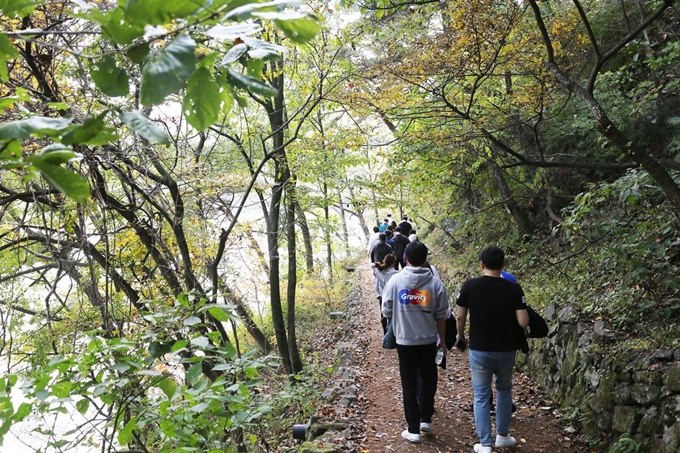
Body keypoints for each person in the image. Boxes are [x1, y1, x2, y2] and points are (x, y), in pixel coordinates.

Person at [455, 245, 529, 453]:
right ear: (503, 265)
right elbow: (523, 322)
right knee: (504, 390)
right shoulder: (513, 288)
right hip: (506, 349)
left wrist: (460, 336)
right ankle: (502, 436)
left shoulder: (470, 286)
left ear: (482, 264)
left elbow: (460, 316)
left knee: (481, 394)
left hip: (480, 349)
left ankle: (485, 443)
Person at [382, 241, 449, 444]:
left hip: (404, 340)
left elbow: (386, 309)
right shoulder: (435, 283)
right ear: (425, 258)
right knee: (428, 377)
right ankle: (426, 420)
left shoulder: (395, 281)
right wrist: (442, 341)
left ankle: (413, 429)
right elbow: (441, 316)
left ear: (405, 259)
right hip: (428, 340)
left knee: (409, 382)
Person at [373, 254, 399, 333]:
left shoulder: (378, 271)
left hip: (382, 295)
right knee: (393, 314)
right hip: (393, 295)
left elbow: (372, 266)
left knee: (383, 314)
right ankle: (393, 331)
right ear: (393, 263)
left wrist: (378, 264)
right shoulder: (396, 274)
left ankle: (385, 331)